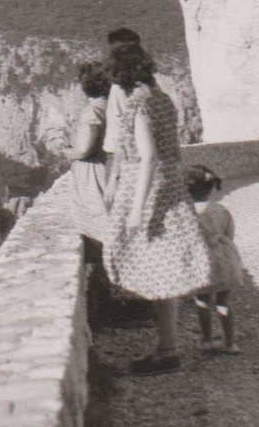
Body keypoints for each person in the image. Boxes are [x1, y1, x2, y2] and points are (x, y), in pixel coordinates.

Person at [104, 36, 211, 376]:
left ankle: (168, 350)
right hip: (170, 185)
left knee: (148, 265)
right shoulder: (162, 99)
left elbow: (147, 157)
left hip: (147, 190)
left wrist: (136, 209)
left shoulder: (137, 103)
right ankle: (169, 347)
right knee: (165, 269)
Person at [185, 165, 246, 355]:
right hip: (225, 260)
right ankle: (230, 343)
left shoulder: (187, 213)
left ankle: (207, 339)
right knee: (224, 301)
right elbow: (230, 233)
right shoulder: (220, 209)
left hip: (201, 262)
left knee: (202, 301)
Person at [67, 59, 112, 244]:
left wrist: (67, 152)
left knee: (99, 220)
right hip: (108, 166)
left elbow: (84, 149)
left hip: (92, 175)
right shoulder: (111, 108)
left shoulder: (92, 112)